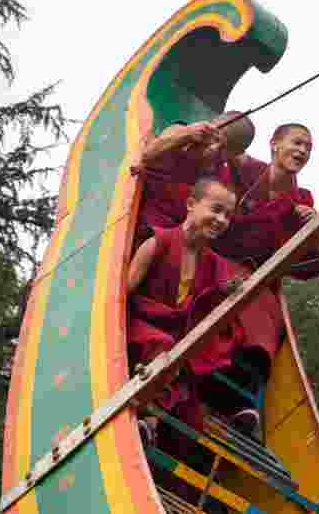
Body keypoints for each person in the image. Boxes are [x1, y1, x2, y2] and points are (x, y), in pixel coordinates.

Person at [203, 123, 319, 436]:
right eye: (297, 143)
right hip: (214, 258)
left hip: (258, 279)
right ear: (274, 144)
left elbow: (310, 266)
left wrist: (317, 232)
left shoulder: (303, 200)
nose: (302, 152)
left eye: (308, 148)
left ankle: (241, 403)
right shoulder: (244, 169)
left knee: (264, 316)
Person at [126, 177, 240, 444]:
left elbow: (202, 309)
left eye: (228, 215)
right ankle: (147, 419)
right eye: (215, 209)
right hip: (139, 328)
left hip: (175, 342)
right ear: (191, 204)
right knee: (164, 345)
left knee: (198, 356)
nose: (221, 220)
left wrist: (227, 293)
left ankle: (150, 422)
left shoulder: (213, 263)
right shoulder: (158, 242)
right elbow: (124, 294)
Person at [134, 111, 255, 242]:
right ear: (212, 123)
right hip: (131, 217)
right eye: (215, 137)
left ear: (235, 154)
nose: (214, 148)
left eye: (224, 148)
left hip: (161, 237)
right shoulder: (181, 134)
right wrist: (187, 134)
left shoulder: (220, 180)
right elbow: (146, 155)